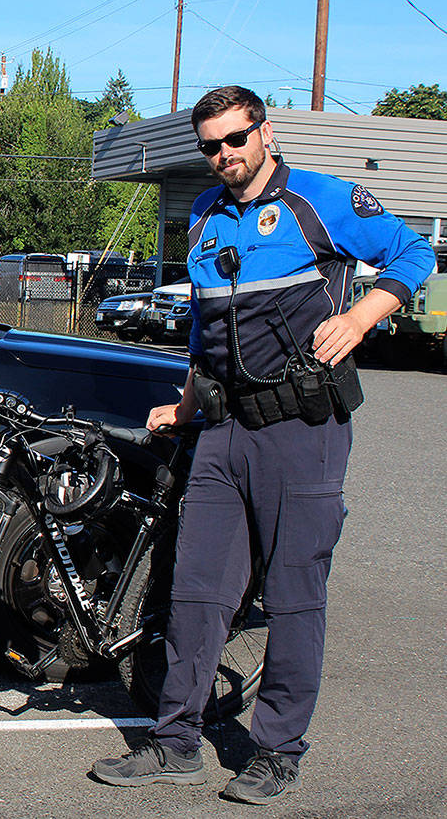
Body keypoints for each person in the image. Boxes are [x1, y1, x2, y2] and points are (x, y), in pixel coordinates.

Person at [91, 86, 434, 804]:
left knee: (292, 595)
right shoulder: (204, 218)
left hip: (301, 430)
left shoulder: (321, 201)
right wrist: (183, 406)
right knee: (197, 592)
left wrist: (365, 316)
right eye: (211, 146)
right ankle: (175, 742)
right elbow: (204, 332)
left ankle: (277, 751)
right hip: (222, 429)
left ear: (264, 132)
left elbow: (413, 251)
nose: (225, 155)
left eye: (236, 139)